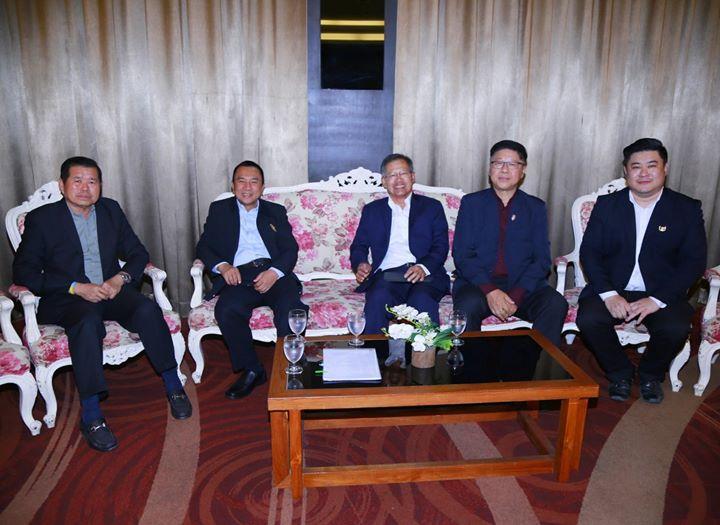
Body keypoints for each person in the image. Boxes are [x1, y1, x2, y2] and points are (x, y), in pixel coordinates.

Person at [13, 156, 191, 452]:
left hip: (110, 289)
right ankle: (92, 414)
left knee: (147, 309)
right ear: (62, 185)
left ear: (100, 186)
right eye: (77, 181)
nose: (85, 188)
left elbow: (137, 253)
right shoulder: (42, 219)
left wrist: (120, 279)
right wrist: (76, 287)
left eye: (92, 182)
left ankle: (173, 385)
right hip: (67, 297)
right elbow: (24, 273)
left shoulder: (110, 210)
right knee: (86, 321)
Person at [577, 138, 706, 404]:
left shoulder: (686, 208)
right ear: (626, 171)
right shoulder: (607, 205)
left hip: (661, 290)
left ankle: (650, 375)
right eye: (636, 167)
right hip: (614, 286)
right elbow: (590, 253)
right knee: (589, 319)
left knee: (676, 326)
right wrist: (609, 294)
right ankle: (620, 373)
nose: (644, 173)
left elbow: (693, 261)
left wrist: (657, 300)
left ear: (665, 169)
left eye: (651, 165)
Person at [196, 160, 307, 399]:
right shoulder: (219, 210)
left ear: (262, 187)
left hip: (274, 272)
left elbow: (290, 249)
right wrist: (223, 266)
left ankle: (291, 367)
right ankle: (252, 369)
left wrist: (274, 272)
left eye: (254, 182)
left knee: (291, 309)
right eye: (241, 181)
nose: (247, 187)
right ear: (233, 185)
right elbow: (204, 246)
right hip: (238, 275)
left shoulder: (275, 211)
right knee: (227, 309)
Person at [452, 140, 568, 350]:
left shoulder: (535, 207)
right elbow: (462, 254)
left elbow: (541, 259)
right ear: (490, 169)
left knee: (555, 304)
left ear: (522, 171)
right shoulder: (472, 203)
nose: (504, 169)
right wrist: (491, 291)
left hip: (522, 286)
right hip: (478, 284)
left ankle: (535, 364)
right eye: (498, 163)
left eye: (512, 164)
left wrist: (516, 295)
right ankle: (471, 368)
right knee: (468, 306)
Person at [350, 153, 450, 333]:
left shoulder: (432, 207)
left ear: (412, 177)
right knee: (378, 298)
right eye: (392, 175)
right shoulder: (372, 210)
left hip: (425, 275)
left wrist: (423, 267)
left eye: (403, 173)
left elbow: (440, 245)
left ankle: (426, 352)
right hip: (388, 275)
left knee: (422, 300)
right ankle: (375, 350)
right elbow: (359, 245)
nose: (398, 180)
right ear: (384, 181)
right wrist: (361, 263)